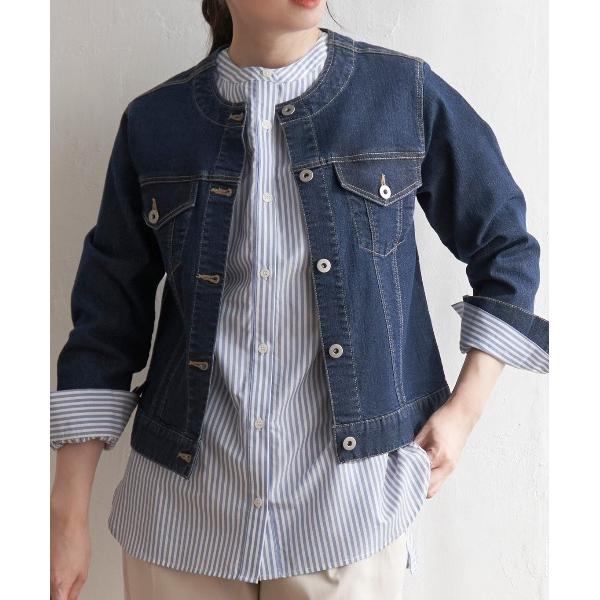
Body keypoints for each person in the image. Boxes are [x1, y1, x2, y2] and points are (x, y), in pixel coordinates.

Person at [50, 1, 549, 599]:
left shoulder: (400, 94)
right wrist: (66, 517)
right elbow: (107, 319)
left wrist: (464, 412)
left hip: (346, 515)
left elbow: (506, 249)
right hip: (182, 521)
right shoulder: (156, 123)